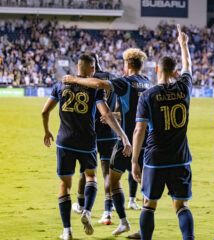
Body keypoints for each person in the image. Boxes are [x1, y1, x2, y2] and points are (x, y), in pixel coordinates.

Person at [62, 48, 152, 236]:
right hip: (146, 140)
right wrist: (118, 114)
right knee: (144, 183)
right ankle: (142, 229)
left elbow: (100, 84)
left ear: (127, 64)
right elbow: (139, 109)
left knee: (112, 180)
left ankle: (124, 221)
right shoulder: (147, 83)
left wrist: (75, 79)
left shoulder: (126, 82)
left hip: (128, 140)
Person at [42, 54, 131, 240]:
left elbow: (44, 111)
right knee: (91, 177)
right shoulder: (94, 89)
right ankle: (87, 212)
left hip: (64, 141)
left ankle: (67, 231)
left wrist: (47, 131)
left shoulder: (61, 85)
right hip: (87, 141)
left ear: (77, 66)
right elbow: (106, 114)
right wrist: (123, 136)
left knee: (64, 185)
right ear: (93, 69)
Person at [131, 24, 194, 240]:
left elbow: (139, 129)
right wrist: (183, 45)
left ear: (156, 70)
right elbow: (189, 66)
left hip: (155, 158)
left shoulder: (148, 96)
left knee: (149, 205)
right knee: (182, 206)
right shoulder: (184, 88)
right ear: (175, 72)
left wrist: (134, 161)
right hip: (180, 157)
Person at [71, 53, 119, 225]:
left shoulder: (88, 80)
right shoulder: (113, 77)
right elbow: (119, 103)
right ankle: (108, 210)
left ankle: (82, 205)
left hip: (90, 131)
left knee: (87, 171)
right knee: (107, 171)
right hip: (110, 131)